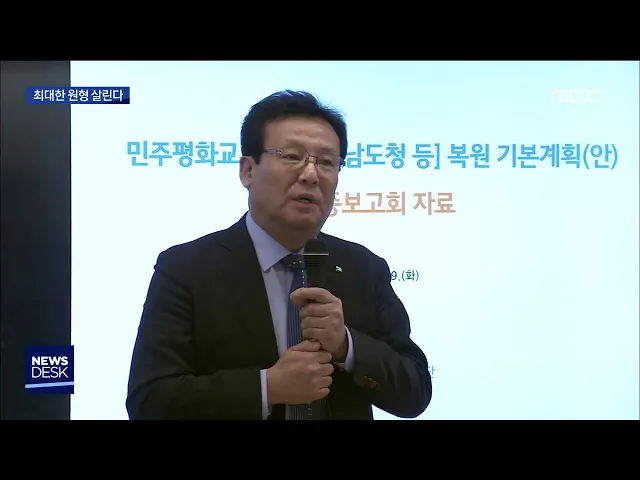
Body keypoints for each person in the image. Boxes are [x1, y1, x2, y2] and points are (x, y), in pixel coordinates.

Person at [126, 90, 432, 420]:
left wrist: (346, 345)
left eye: (327, 162)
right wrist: (267, 388)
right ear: (248, 170)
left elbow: (415, 392)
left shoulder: (363, 268)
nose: (311, 175)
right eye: (291, 156)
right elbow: (150, 401)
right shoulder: (187, 269)